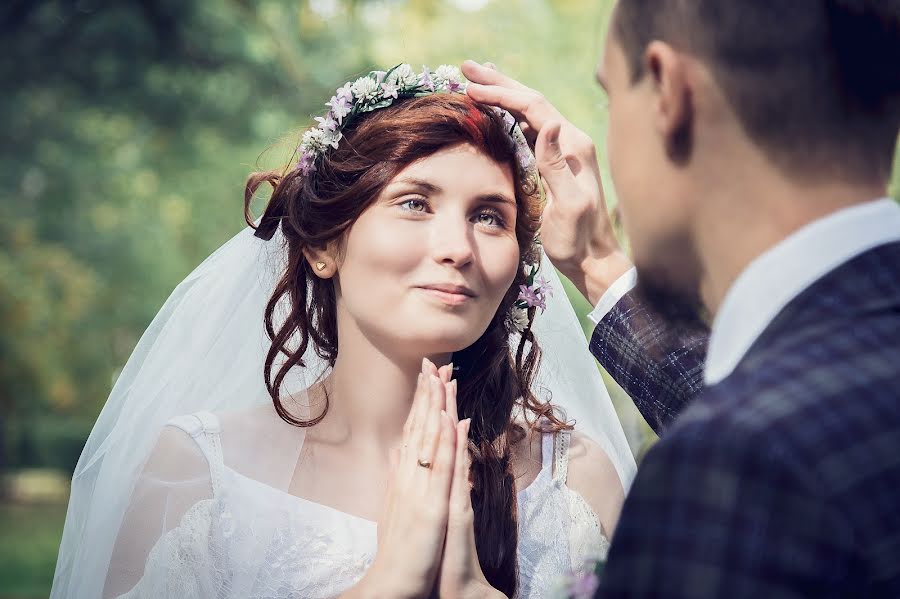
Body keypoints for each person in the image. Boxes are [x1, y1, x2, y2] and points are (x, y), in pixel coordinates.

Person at [50, 64, 636, 599]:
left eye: (488, 216)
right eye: (414, 203)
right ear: (324, 244)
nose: (457, 249)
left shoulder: (576, 479)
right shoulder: (200, 473)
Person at [461, 0, 900, 596]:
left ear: (669, 92)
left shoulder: (733, 469)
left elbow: (769, 445)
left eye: (609, 100)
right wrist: (597, 265)